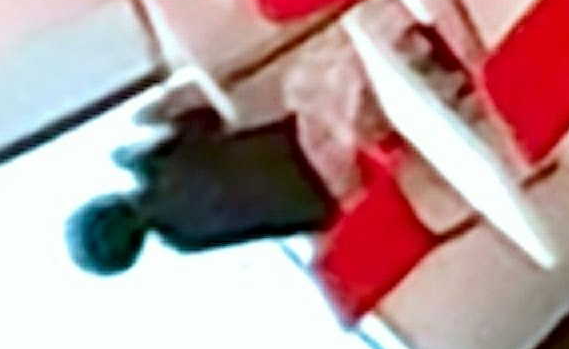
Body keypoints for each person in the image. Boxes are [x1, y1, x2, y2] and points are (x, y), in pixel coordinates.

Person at [65, 67, 360, 273]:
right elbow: (204, 119)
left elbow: (274, 226)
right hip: (310, 133)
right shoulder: (153, 164)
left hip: (337, 189)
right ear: (102, 204)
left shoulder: (184, 240)